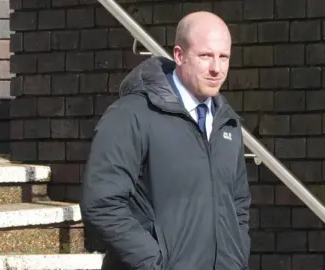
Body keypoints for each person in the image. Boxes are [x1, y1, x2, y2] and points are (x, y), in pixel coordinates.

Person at [80, 11, 251, 270]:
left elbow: (237, 204)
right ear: (179, 55)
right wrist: (154, 262)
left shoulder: (227, 124)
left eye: (223, 57)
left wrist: (236, 258)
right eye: (205, 56)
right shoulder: (132, 114)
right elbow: (102, 203)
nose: (216, 68)